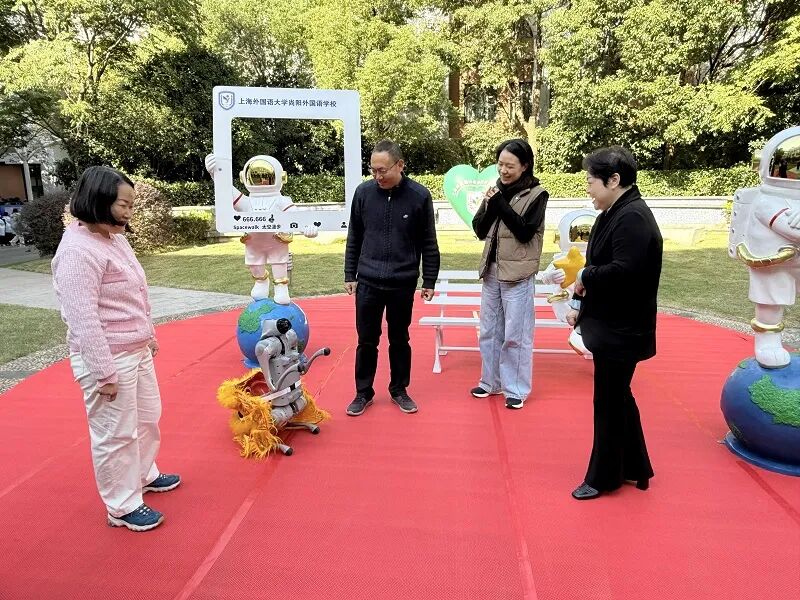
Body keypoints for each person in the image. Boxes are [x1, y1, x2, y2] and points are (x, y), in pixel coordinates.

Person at [52, 166, 180, 531]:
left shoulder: (113, 237)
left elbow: (136, 293)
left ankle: (143, 474)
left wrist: (148, 334)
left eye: (131, 205)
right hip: (107, 357)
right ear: (98, 200)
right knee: (115, 432)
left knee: (147, 417)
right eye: (123, 205)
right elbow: (82, 319)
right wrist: (103, 373)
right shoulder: (77, 251)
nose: (129, 212)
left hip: (135, 350)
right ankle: (122, 506)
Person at [566, 146, 662, 500]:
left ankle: (603, 477)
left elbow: (624, 272)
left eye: (591, 181)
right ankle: (636, 466)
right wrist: (580, 298)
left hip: (623, 329)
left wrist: (585, 276)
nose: (588, 188)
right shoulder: (614, 212)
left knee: (609, 401)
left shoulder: (632, 216)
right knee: (618, 397)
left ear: (614, 180)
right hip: (611, 324)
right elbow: (601, 265)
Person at [344, 139, 440, 416]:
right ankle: (363, 392)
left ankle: (399, 389)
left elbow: (428, 242)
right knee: (366, 340)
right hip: (368, 281)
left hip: (402, 282)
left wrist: (429, 279)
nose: (377, 176)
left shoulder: (419, 196)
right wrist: (350, 273)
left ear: (400, 165)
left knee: (399, 339)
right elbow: (354, 236)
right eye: (373, 170)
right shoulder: (363, 193)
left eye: (383, 170)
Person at [470, 139, 552, 409]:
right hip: (492, 270)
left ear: (525, 166)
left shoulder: (537, 195)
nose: (503, 170)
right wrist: (491, 203)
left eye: (510, 166)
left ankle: (516, 389)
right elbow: (479, 229)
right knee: (489, 330)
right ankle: (490, 382)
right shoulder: (495, 191)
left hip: (518, 273)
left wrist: (500, 203)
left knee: (516, 334)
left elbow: (525, 231)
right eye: (500, 164)